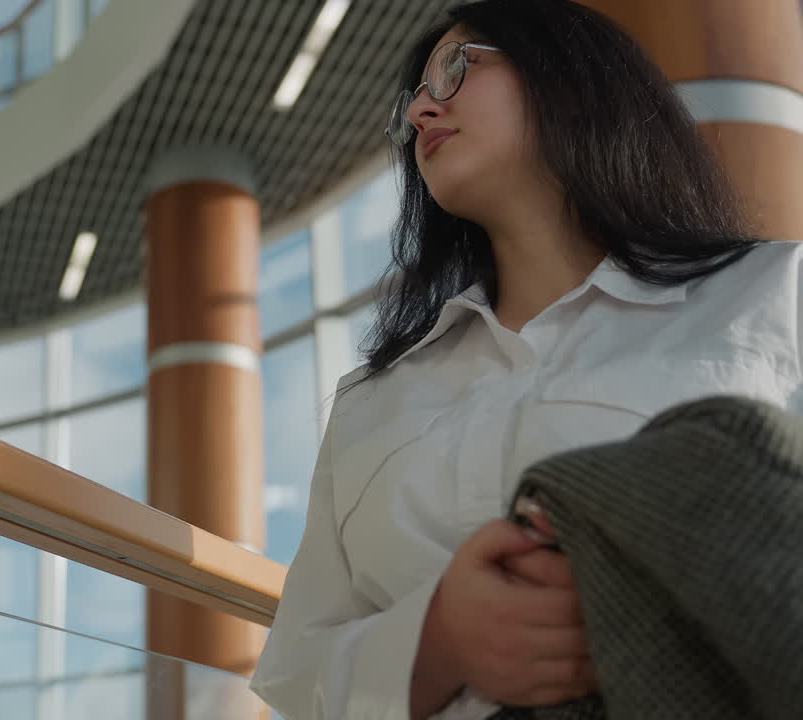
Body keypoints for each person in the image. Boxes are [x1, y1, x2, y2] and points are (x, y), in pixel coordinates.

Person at [249, 1, 803, 718]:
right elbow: (296, 672)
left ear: (569, 79)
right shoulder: (368, 402)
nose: (422, 112)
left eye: (454, 68)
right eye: (412, 100)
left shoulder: (774, 292)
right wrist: (438, 640)